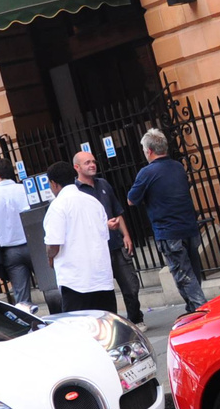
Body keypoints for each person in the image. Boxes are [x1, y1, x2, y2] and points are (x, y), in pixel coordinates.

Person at [126, 129, 208, 313]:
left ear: (149, 151)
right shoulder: (177, 167)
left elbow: (131, 200)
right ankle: (193, 309)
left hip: (169, 231)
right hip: (189, 226)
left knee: (183, 275)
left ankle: (202, 310)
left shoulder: (146, 173)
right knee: (193, 273)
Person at [73, 149, 143, 324]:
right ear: (77, 167)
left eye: (93, 161)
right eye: (87, 162)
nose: (92, 165)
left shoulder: (103, 184)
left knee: (131, 285)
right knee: (101, 291)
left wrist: (126, 235)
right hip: (95, 250)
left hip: (115, 244)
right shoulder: (75, 193)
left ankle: (135, 319)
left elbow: (117, 211)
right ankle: (106, 326)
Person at [42, 161, 116, 312]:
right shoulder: (94, 202)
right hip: (102, 278)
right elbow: (104, 237)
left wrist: (50, 258)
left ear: (54, 183)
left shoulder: (57, 206)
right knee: (106, 329)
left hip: (75, 282)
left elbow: (53, 245)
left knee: (79, 330)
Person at [0, 158, 35, 308]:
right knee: (51, 286)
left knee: (22, 298)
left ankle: (30, 325)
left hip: (10, 251)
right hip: (33, 244)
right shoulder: (25, 190)